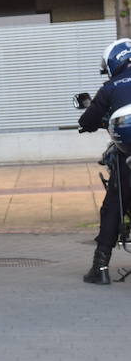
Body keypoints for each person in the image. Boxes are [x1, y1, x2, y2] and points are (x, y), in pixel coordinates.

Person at [77, 38, 131, 285]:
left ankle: (100, 267)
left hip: (126, 155)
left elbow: (88, 120)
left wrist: (90, 125)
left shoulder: (111, 87)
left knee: (113, 206)